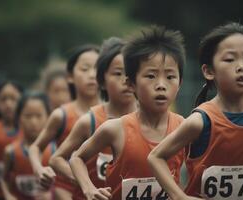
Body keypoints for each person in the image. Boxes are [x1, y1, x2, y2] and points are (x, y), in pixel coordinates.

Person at [148, 22, 243, 200]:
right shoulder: (199, 122)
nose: (241, 66)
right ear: (209, 71)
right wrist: (179, 196)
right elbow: (155, 157)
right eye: (230, 59)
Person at [69, 26, 186, 200]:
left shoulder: (184, 127)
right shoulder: (115, 129)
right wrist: (89, 188)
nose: (161, 85)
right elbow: (76, 157)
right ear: (131, 84)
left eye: (170, 77)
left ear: (180, 83)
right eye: (151, 76)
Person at [49, 37, 136, 198]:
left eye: (131, 73)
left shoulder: (149, 119)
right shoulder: (89, 121)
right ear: (101, 81)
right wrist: (86, 184)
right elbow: (56, 159)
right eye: (118, 73)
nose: (126, 80)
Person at [29, 44, 100, 199]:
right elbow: (36, 147)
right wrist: (39, 169)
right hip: (67, 191)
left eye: (97, 68)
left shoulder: (114, 114)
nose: (92, 75)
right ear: (70, 76)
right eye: (85, 69)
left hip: (104, 190)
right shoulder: (61, 115)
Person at [0, 92, 56, 200]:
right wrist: (8, 195)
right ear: (19, 118)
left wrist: (52, 195)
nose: (33, 122)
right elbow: (3, 179)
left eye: (38, 116)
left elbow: (64, 184)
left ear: (48, 117)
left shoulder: (55, 151)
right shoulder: (11, 152)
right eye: (28, 116)